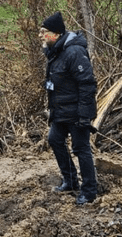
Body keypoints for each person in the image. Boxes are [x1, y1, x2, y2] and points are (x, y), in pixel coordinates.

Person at [39, 11, 98, 205]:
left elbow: (87, 84)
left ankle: (89, 192)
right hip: (61, 111)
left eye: (43, 32)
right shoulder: (55, 52)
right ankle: (71, 181)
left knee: (81, 149)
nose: (40, 35)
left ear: (55, 34)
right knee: (54, 139)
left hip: (76, 112)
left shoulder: (74, 52)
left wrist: (85, 115)